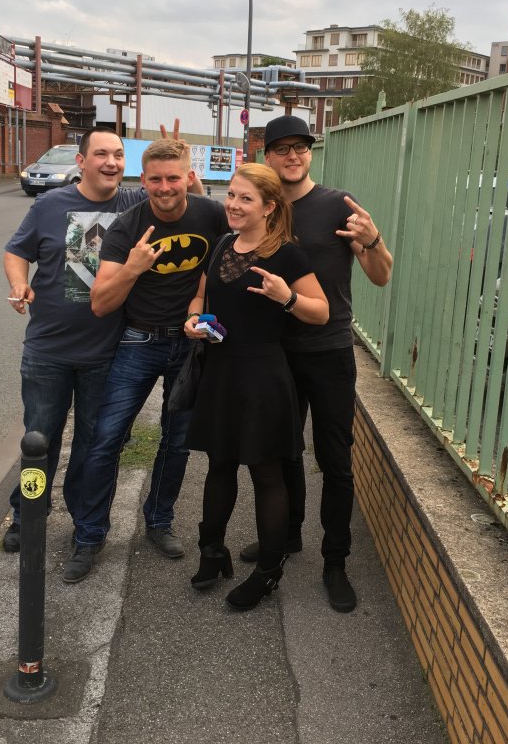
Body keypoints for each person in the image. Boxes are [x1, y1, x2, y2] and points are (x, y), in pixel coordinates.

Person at [1, 124, 199, 584]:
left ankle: (82, 523)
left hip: (107, 351)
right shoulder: (50, 204)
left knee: (93, 446)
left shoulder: (135, 202)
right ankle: (27, 514)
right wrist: (18, 283)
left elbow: (183, 201)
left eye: (118, 155)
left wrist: (183, 162)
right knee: (39, 441)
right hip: (48, 348)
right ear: (82, 161)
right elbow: (15, 251)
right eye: (102, 154)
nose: (111, 162)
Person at [242, 115, 394, 614]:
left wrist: (373, 239)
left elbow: (381, 276)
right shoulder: (261, 207)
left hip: (328, 351)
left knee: (335, 460)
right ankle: (287, 536)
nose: (293, 156)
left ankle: (335, 561)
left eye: (301, 147)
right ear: (267, 155)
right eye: (283, 148)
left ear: (310, 153)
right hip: (275, 352)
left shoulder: (337, 205)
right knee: (283, 452)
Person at [184, 164, 328, 611]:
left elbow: (321, 311)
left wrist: (288, 298)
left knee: (266, 474)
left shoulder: (287, 255)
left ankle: (268, 571)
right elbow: (201, 295)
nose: (233, 204)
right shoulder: (222, 245)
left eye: (245, 198)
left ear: (269, 207)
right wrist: (193, 319)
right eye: (231, 195)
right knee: (219, 464)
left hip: (263, 377)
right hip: (221, 371)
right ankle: (212, 552)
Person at [87, 138, 228, 580]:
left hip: (189, 344)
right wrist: (133, 267)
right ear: (142, 180)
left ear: (188, 177)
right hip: (139, 341)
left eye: (173, 178)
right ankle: (89, 535)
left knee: (178, 441)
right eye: (155, 180)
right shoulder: (127, 227)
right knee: (107, 439)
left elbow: (252, 241)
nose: (164, 188)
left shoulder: (212, 214)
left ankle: (159, 520)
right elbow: (100, 304)